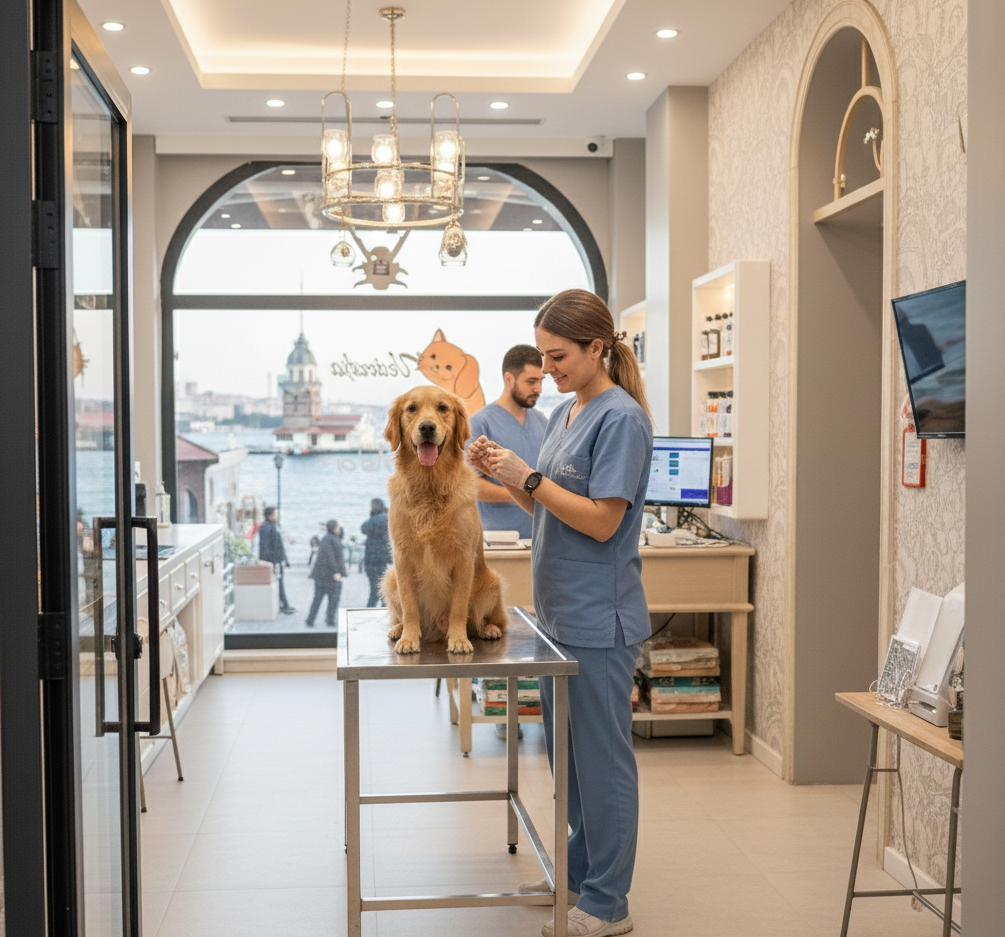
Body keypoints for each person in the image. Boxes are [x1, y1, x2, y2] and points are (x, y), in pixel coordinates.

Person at [468, 288, 653, 937]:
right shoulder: (567, 413)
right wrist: (511, 474)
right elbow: (546, 510)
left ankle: (608, 902)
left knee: (602, 762)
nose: (547, 370)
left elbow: (603, 523)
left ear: (597, 346)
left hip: (598, 619)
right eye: (542, 359)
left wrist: (529, 477)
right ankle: (577, 874)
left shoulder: (620, 419)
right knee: (568, 763)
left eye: (558, 355)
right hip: (556, 616)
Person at [468, 344, 547, 541]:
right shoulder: (480, 423)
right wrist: (525, 493)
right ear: (509, 379)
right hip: (498, 540)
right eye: (531, 381)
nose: (537, 389)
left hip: (540, 539)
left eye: (540, 381)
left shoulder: (544, 422)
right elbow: (471, 485)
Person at [306, 519, 346, 628]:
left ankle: (311, 619)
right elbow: (330, 557)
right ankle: (329, 619)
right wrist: (336, 572)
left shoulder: (327, 539)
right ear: (334, 528)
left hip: (322, 575)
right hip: (329, 575)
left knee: (318, 598)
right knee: (332, 598)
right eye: (338, 527)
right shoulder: (331, 540)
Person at [258, 506, 295, 614]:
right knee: (279, 582)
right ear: (269, 516)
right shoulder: (267, 527)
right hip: (273, 561)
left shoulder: (271, 526)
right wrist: (270, 562)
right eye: (275, 514)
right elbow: (266, 547)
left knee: (279, 582)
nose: (277, 516)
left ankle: (283, 604)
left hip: (276, 561)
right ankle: (284, 604)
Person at [360, 498, 391, 607]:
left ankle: (370, 613)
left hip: (370, 562)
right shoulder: (389, 519)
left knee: (373, 591)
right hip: (385, 562)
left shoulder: (372, 522)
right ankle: (386, 615)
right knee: (386, 591)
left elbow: (363, 528)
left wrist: (372, 517)